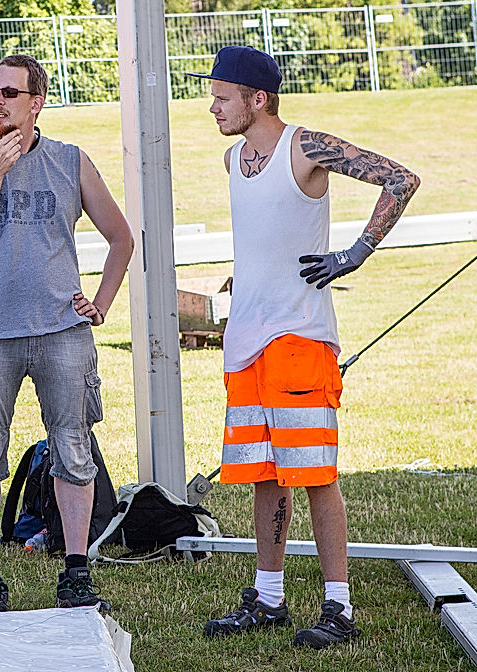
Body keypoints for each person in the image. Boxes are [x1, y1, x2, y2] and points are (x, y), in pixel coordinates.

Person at [189, 46, 420, 648]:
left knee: (315, 475)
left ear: (256, 98)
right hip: (245, 343)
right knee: (266, 476)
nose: (211, 107)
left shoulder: (305, 146)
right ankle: (269, 599)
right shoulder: (232, 157)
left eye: (221, 97)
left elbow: (401, 178)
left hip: (300, 339)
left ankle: (338, 607)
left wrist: (356, 252)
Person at [0, 53, 134, 614]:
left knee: (74, 452)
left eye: (9, 92)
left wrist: (99, 304)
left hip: (62, 332)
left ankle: (76, 569)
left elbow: (121, 238)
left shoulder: (70, 162)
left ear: (37, 102)